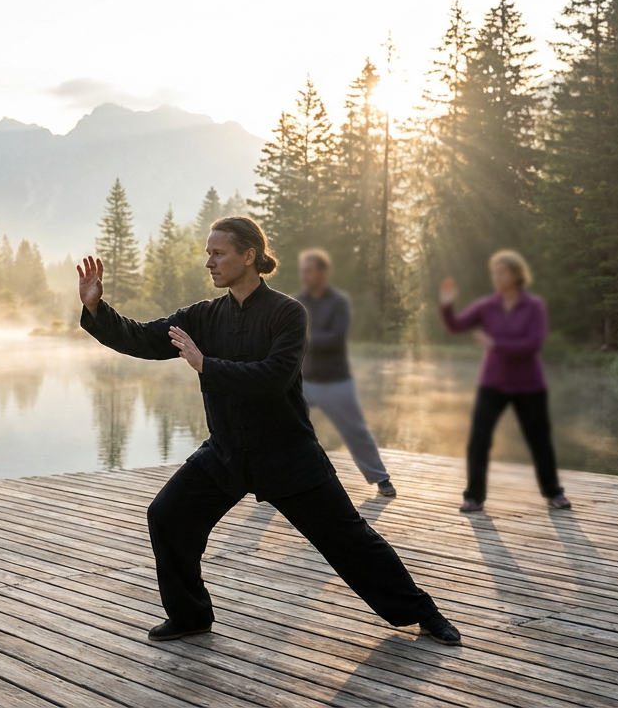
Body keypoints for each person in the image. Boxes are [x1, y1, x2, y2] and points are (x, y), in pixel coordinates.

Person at [78, 216, 462, 645]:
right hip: (226, 453)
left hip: (288, 454)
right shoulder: (203, 316)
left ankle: (423, 613)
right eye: (208, 253)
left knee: (350, 540)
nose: (209, 262)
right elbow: (142, 338)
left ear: (249, 256)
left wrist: (207, 365)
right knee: (168, 516)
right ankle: (190, 616)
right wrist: (97, 309)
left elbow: (274, 378)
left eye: (218, 253)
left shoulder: (287, 313)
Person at [439, 250, 571, 513]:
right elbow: (455, 326)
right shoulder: (487, 306)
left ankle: (553, 493)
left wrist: (496, 344)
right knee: (479, 440)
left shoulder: (534, 307)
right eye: (494, 272)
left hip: (529, 384)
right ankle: (474, 497)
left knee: (539, 440)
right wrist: (446, 305)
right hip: (493, 383)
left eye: (502, 272)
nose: (496, 277)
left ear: (516, 274)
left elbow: (532, 344)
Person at [294, 249, 395, 497]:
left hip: (335, 381)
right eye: (302, 270)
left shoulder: (338, 302)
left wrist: (301, 339)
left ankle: (380, 478)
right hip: (303, 381)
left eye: (309, 270)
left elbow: (335, 338)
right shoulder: (297, 303)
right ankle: (276, 480)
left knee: (356, 430)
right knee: (283, 428)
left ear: (322, 272)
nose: (304, 275)